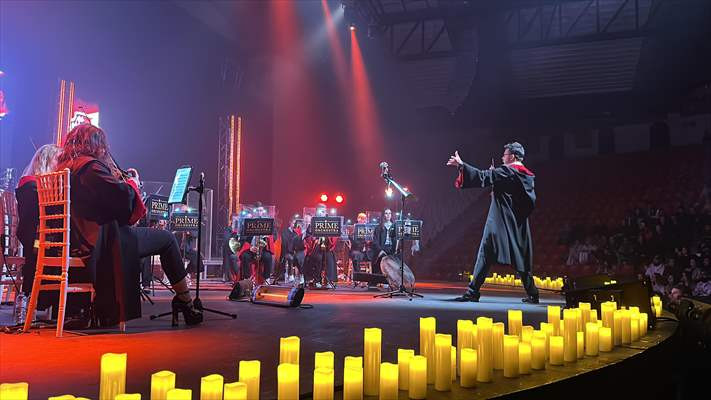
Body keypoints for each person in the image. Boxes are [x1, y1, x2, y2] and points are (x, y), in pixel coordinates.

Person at [55, 124, 201, 326]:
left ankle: (184, 302)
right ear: (96, 146)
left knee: (157, 238)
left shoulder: (65, 168)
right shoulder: (91, 168)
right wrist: (133, 183)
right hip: (102, 242)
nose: (105, 151)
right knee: (167, 239)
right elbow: (122, 199)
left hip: (77, 239)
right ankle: (185, 302)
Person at [447, 142, 540, 303]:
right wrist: (497, 179)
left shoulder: (508, 171)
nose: (502, 157)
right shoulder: (526, 175)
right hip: (518, 223)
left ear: (512, 156)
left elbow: (483, 177)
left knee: (485, 252)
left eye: (504, 154)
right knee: (521, 256)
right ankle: (533, 293)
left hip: (500, 222)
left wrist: (462, 165)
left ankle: (472, 291)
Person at [15, 144, 62, 298]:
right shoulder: (33, 186)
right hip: (36, 239)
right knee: (62, 245)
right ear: (47, 161)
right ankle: (47, 299)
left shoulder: (28, 183)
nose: (60, 166)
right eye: (58, 160)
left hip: (33, 236)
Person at [372, 209, 396, 276]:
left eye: (389, 213)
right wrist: (380, 250)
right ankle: (379, 279)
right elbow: (375, 241)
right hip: (382, 248)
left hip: (391, 248)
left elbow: (397, 241)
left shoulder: (395, 226)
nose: (388, 215)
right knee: (379, 259)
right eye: (386, 213)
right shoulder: (378, 227)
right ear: (383, 215)